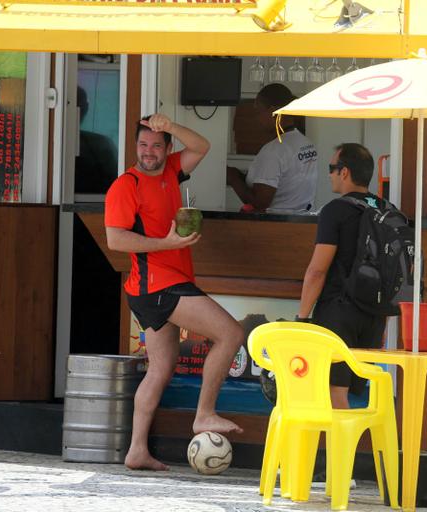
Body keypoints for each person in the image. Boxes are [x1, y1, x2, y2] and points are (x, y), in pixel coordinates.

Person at [105, 113, 245, 471]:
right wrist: (163, 242)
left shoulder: (171, 170)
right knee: (231, 333)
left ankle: (137, 450)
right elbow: (115, 238)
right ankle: (204, 414)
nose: (148, 151)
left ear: (166, 148)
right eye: (142, 145)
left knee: (160, 369)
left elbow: (202, 146)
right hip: (157, 285)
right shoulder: (126, 185)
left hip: (157, 286)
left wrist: (170, 126)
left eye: (155, 145)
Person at [296, 143, 389, 409]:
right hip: (374, 315)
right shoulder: (386, 209)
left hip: (338, 312)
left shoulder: (334, 211)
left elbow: (317, 270)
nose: (329, 175)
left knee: (334, 395)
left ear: (344, 172)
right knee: (350, 396)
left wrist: (303, 317)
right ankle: (351, 449)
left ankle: (339, 452)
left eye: (331, 169)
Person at [226, 83, 318, 213]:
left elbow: (261, 203)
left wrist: (234, 179)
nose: (256, 118)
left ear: (273, 112)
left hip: (277, 225)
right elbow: (287, 180)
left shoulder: (275, 150)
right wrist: (241, 176)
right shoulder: (305, 143)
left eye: (258, 111)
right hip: (303, 220)